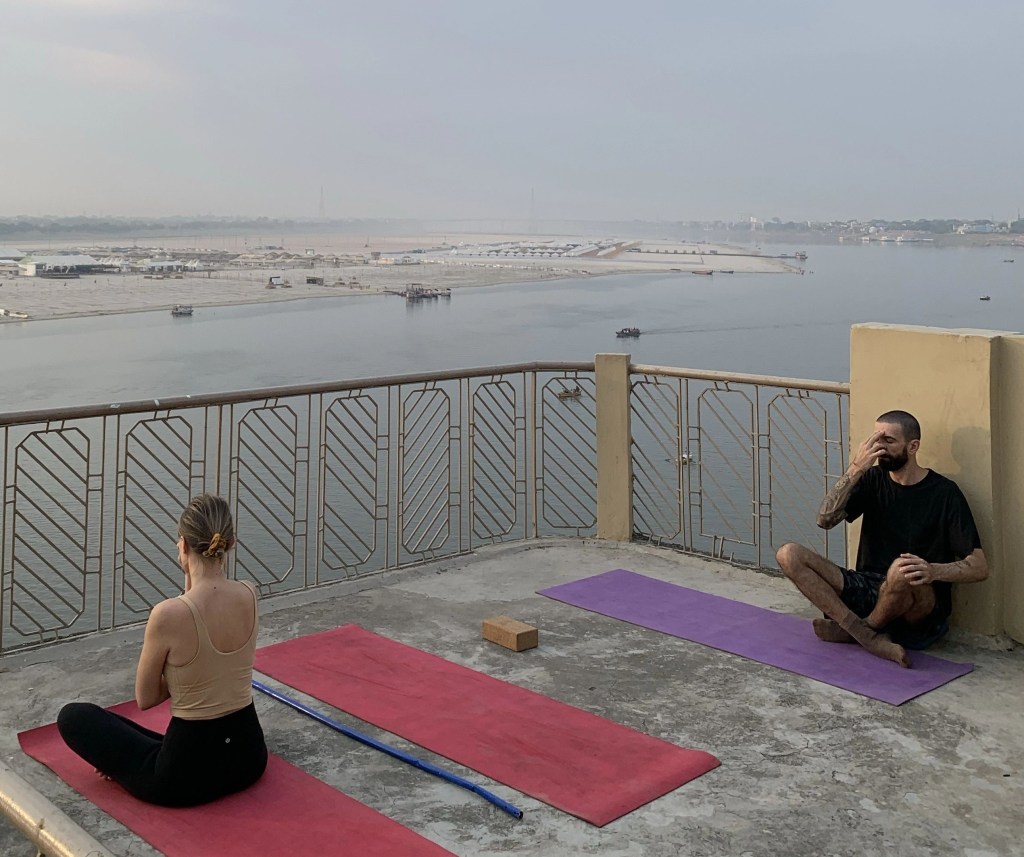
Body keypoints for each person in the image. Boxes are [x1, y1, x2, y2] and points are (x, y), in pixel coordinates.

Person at [57, 494, 267, 806]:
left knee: (74, 717)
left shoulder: (168, 614)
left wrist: (185, 676)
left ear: (183, 546)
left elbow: (146, 698)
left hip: (183, 777)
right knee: (132, 732)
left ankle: (121, 764)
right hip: (248, 758)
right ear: (230, 544)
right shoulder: (249, 593)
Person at [775, 410, 988, 668]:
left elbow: (979, 566)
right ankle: (864, 633)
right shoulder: (872, 479)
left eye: (888, 440)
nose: (879, 448)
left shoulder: (945, 493)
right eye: (876, 439)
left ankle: (861, 630)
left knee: (901, 569)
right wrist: (856, 468)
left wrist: (932, 570)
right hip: (868, 588)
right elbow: (825, 520)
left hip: (916, 607)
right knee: (789, 554)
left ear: (912, 447)